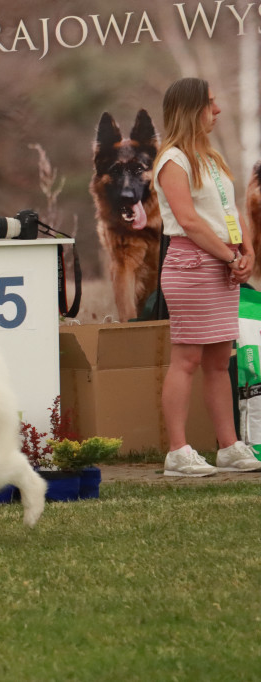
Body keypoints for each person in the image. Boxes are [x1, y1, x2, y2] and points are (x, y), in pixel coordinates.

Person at [154, 77, 261, 477]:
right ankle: (177, 452)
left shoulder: (212, 160)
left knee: (219, 361)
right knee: (186, 359)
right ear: (191, 109)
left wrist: (246, 252)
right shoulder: (173, 160)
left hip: (223, 266)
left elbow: (230, 214)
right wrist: (230, 256)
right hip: (192, 266)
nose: (217, 110)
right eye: (210, 104)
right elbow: (188, 220)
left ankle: (229, 445)